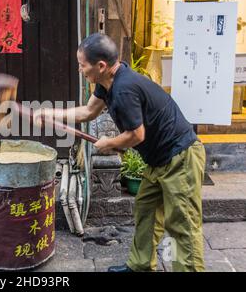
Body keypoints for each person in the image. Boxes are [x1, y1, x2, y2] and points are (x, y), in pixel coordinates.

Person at [34, 33, 206, 272]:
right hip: (159, 160)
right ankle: (140, 266)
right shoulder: (108, 82)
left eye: (82, 65)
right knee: (146, 210)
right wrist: (48, 114)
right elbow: (87, 112)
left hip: (180, 157)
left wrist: (109, 143)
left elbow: (137, 135)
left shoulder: (124, 89)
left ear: (101, 66)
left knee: (182, 225)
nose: (79, 70)